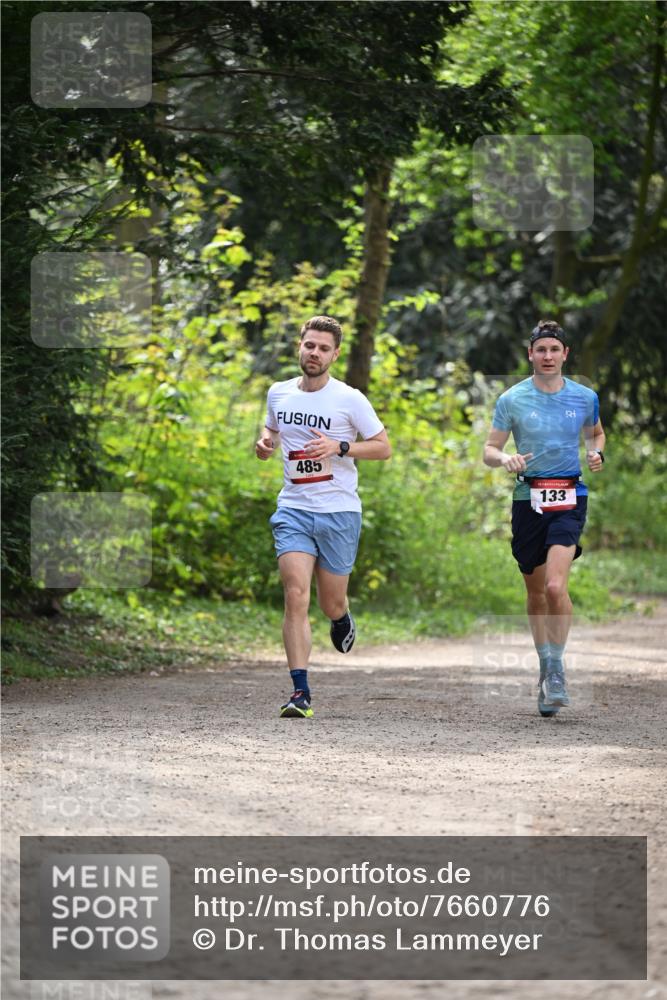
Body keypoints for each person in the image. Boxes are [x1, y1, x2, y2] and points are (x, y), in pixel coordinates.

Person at [255, 315, 391, 718]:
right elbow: (272, 432)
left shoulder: (349, 398)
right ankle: (300, 692)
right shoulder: (278, 393)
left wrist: (340, 447)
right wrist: (265, 443)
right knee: (295, 594)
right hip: (294, 508)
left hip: (339, 512)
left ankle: (341, 615)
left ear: (335, 354)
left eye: (323, 348)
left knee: (330, 602)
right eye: (309, 345)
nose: (314, 353)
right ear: (300, 345)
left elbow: (383, 447)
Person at [483, 319, 605, 717]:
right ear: (531, 355)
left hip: (570, 496)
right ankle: (545, 665)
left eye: (555, 349)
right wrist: (506, 458)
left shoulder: (585, 397)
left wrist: (596, 452)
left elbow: (597, 434)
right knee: (536, 593)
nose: (548, 356)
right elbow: (490, 449)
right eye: (541, 350)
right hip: (528, 499)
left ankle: (555, 670)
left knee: (555, 586)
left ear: (565, 354)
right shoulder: (512, 399)